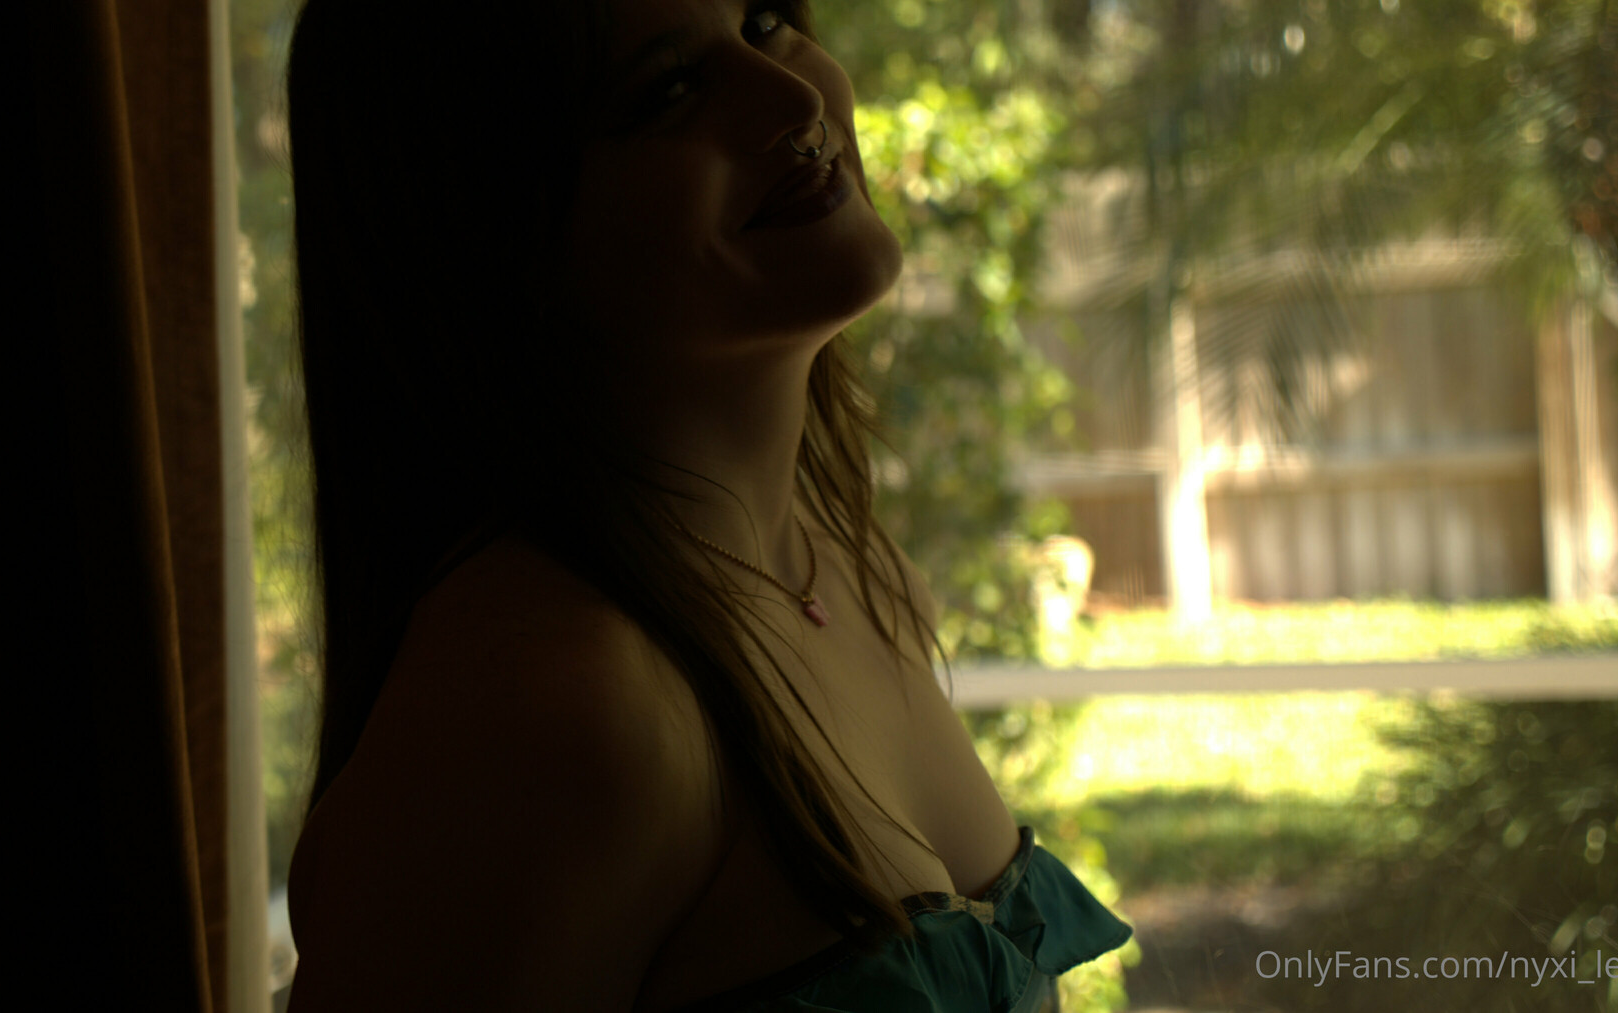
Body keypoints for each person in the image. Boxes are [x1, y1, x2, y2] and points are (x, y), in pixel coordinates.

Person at [279, 0, 1132, 1009]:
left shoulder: (856, 574)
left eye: (763, 22)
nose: (795, 98)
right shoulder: (552, 708)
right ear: (486, 228)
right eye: (669, 88)